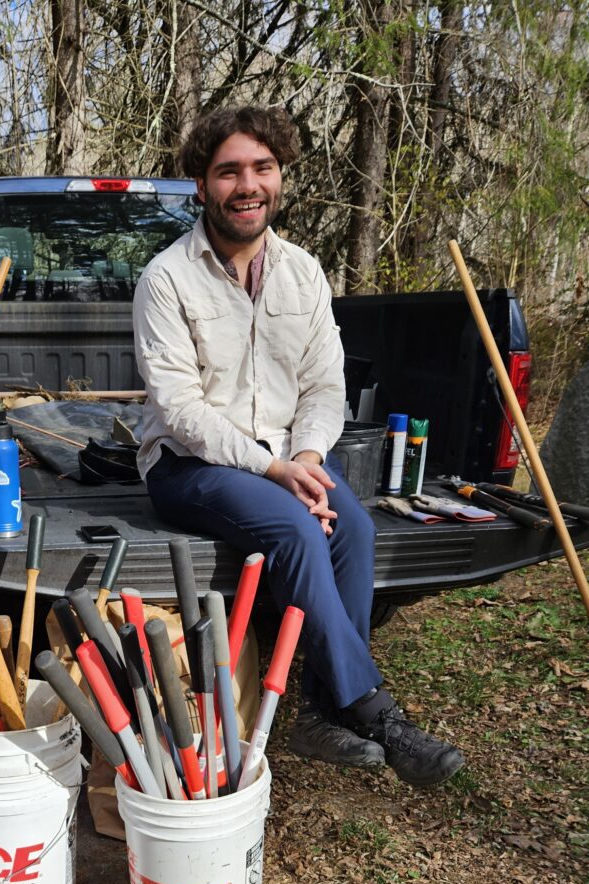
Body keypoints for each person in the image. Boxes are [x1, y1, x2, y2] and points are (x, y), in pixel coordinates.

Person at [132, 106, 464, 787]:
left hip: (288, 456)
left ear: (279, 177)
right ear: (201, 184)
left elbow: (323, 384)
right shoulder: (165, 279)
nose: (246, 185)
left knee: (355, 529)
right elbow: (180, 408)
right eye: (228, 171)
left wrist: (307, 460)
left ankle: (318, 713)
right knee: (294, 529)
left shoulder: (303, 273)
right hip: (189, 464)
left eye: (261, 168)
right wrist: (274, 469)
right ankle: (373, 709)